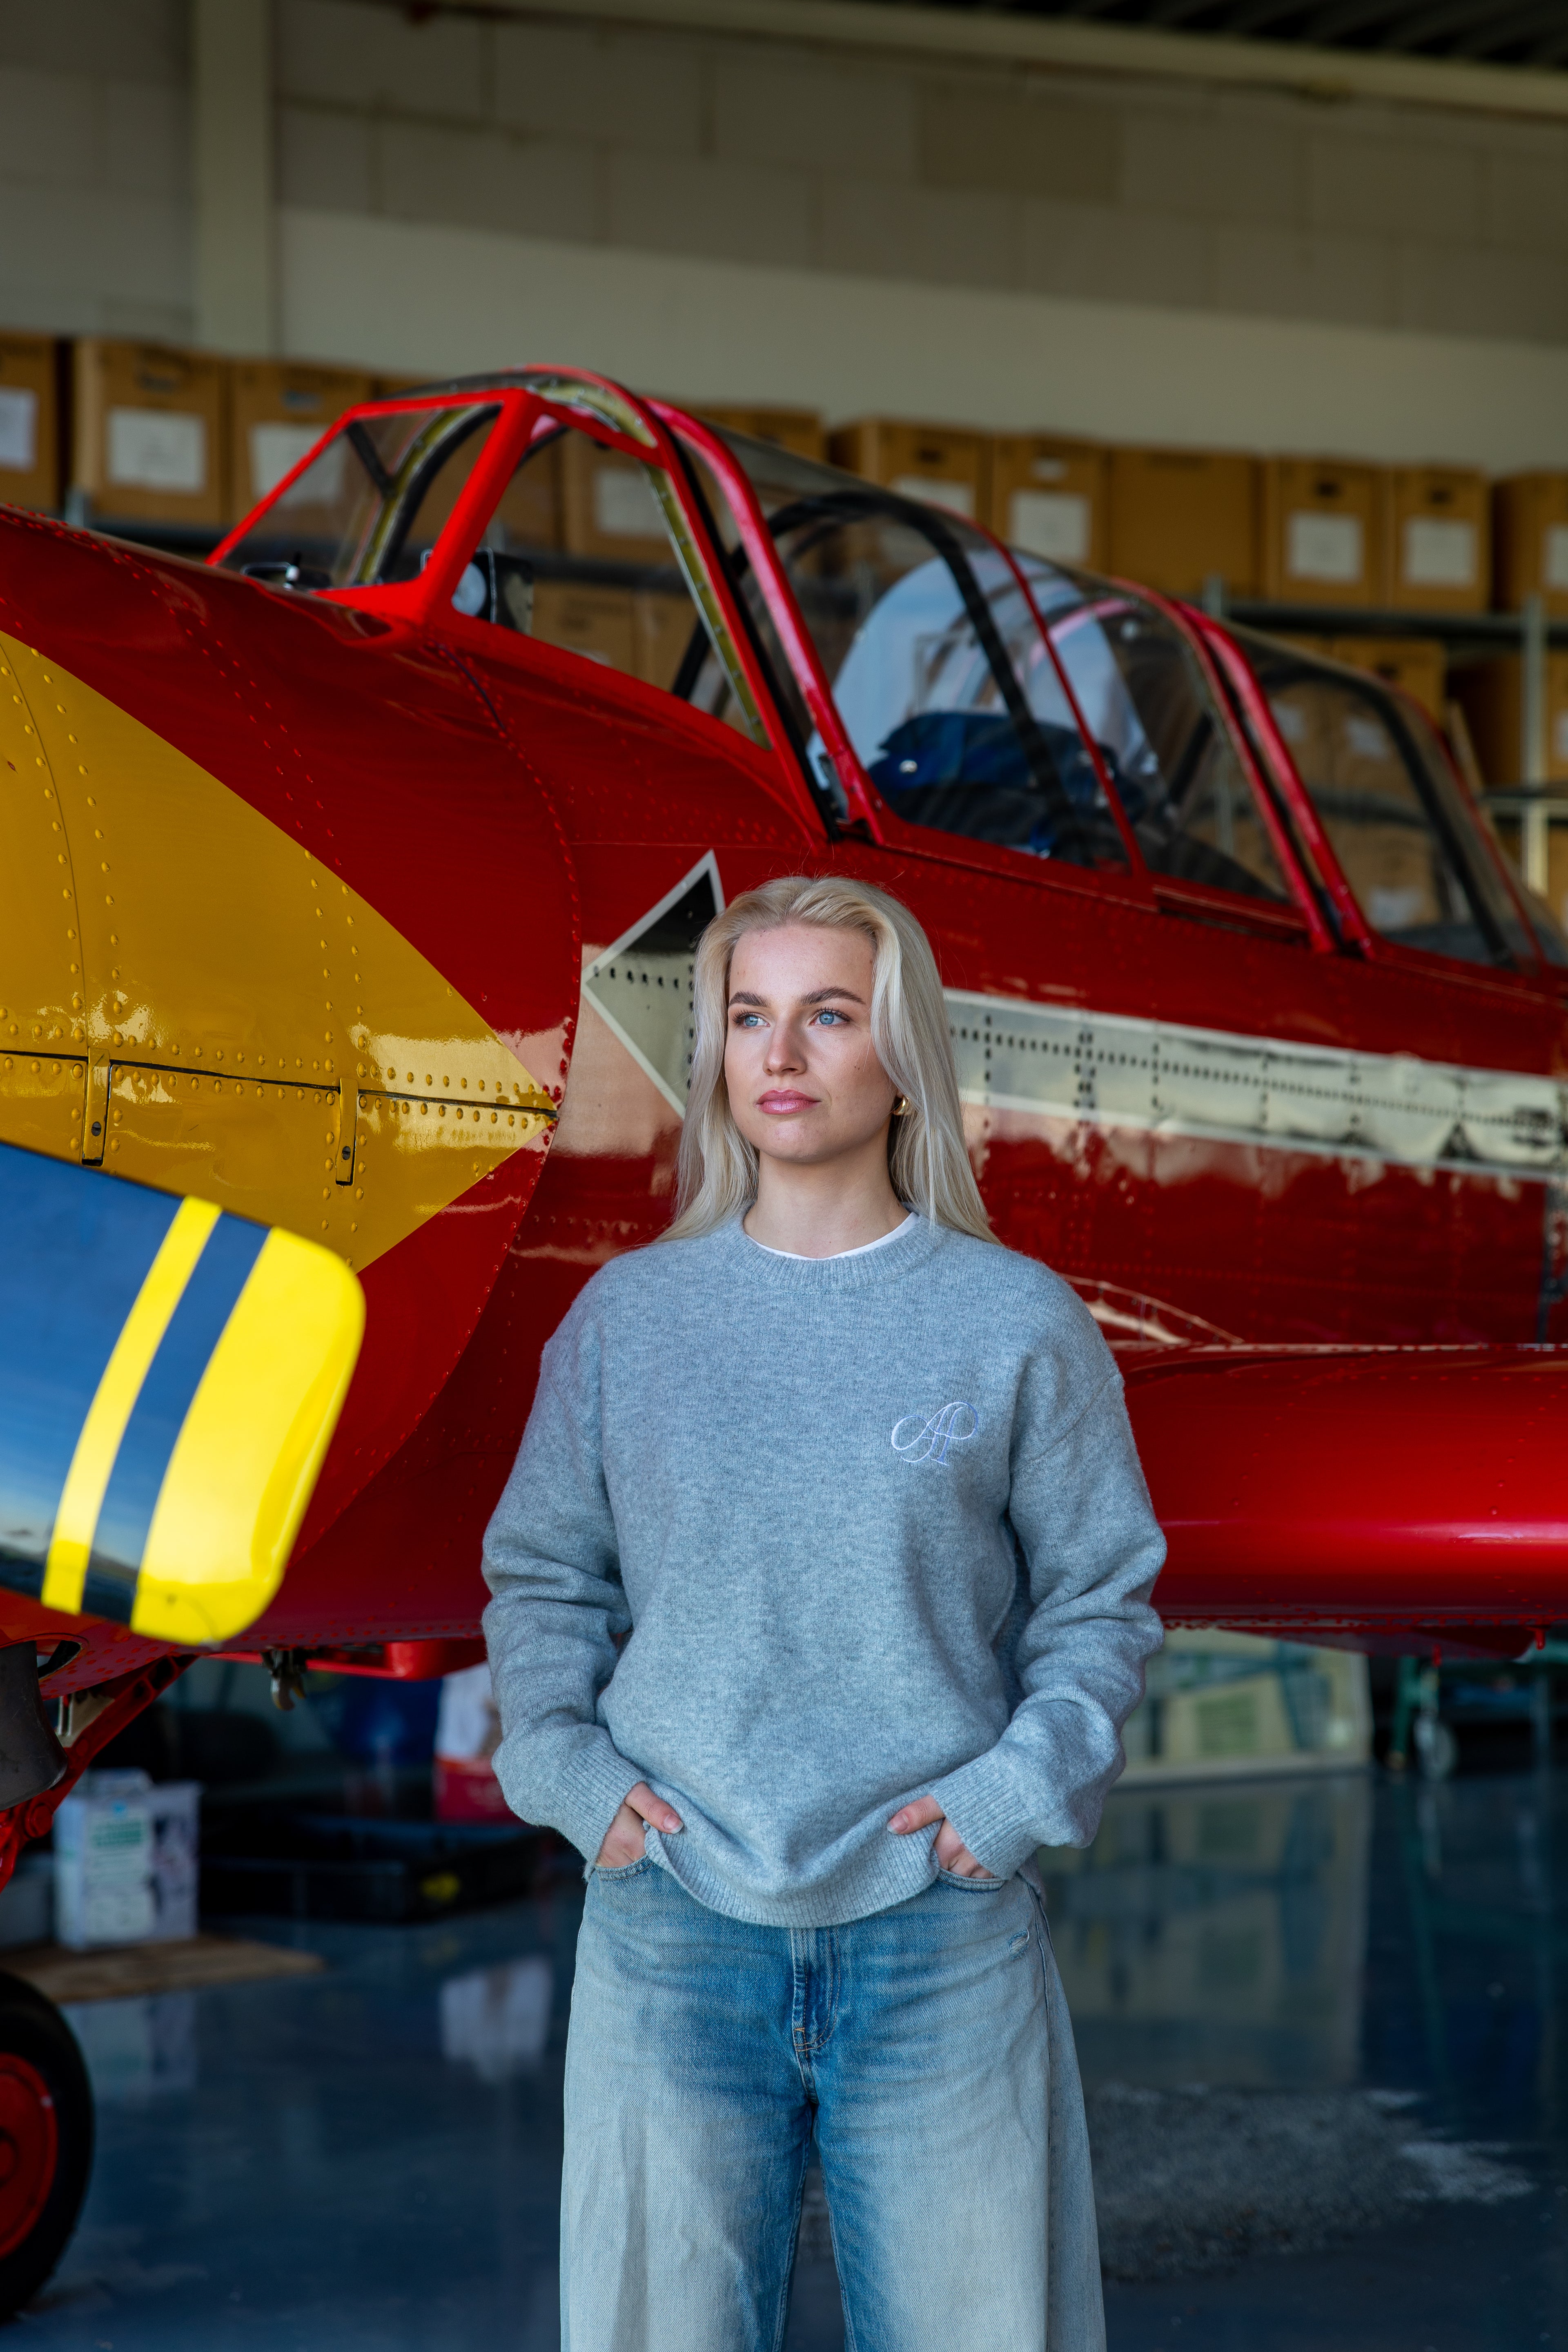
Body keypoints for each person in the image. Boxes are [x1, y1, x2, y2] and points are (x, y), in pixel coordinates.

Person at [482, 873, 1165, 2352]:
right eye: (749, 1018)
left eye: (829, 1016)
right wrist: (569, 1774)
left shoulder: (1015, 1321)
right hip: (672, 1920)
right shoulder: (625, 1323)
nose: (780, 1054)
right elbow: (542, 1575)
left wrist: (1014, 1794)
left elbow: (1102, 1598)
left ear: (902, 1059)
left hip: (939, 1928)